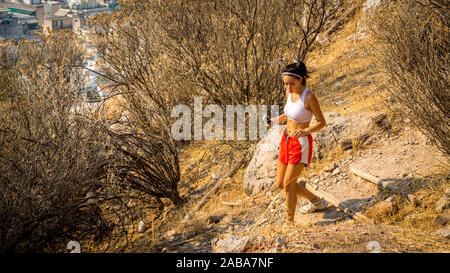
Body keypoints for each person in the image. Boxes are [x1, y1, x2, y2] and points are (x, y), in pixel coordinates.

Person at [267, 60, 328, 223]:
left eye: (291, 84)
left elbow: (322, 122)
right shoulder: (289, 93)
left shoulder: (309, 97)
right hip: (286, 140)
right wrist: (274, 121)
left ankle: (289, 224)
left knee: (289, 184)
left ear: (300, 79)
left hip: (301, 143)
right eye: (285, 84)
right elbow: (288, 114)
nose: (288, 88)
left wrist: (306, 131)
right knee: (280, 183)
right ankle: (316, 201)